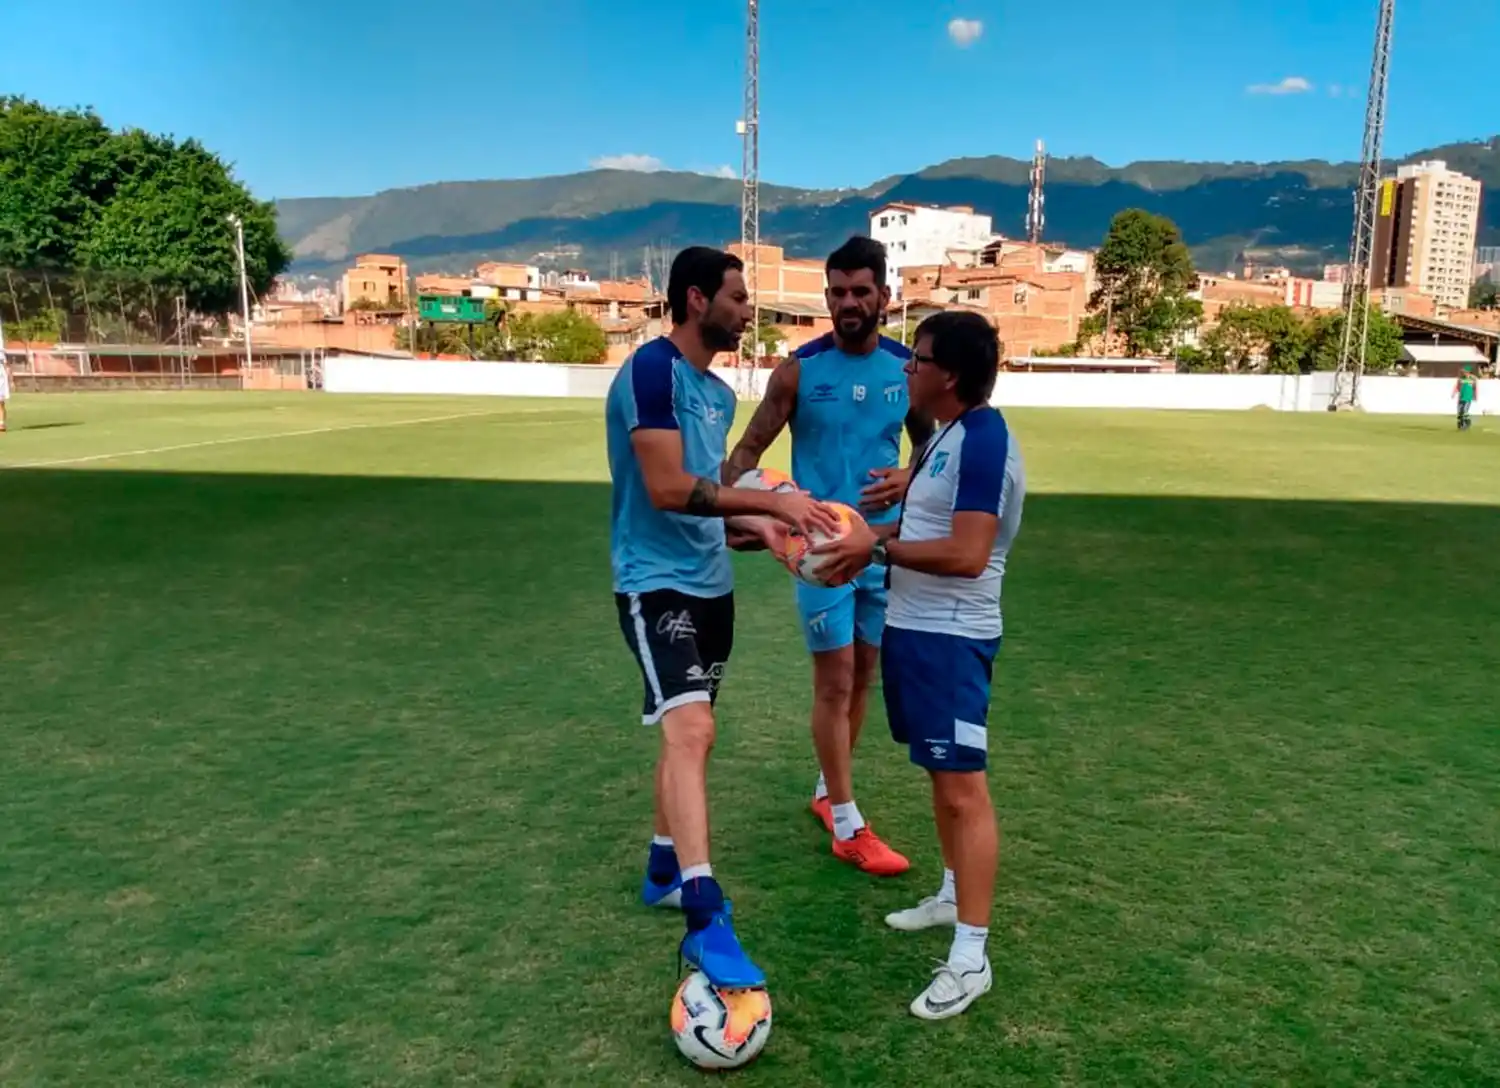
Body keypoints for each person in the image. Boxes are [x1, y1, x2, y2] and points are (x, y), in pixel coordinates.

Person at [605, 245, 840, 991]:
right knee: (692, 729)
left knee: (688, 732)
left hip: (711, 588)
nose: (749, 310)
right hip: (655, 586)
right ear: (698, 298)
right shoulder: (651, 372)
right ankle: (704, 916)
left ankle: (661, 865)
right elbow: (670, 490)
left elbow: (707, 509)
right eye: (740, 297)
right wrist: (774, 500)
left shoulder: (714, 393)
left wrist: (760, 532)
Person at [814, 310, 1025, 1020]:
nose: (907, 368)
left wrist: (872, 550)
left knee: (964, 789)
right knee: (941, 776)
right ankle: (950, 892)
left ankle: (971, 957)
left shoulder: (986, 439)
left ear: (951, 375)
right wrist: (872, 531)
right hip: (917, 629)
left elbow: (967, 554)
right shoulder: (949, 437)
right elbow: (926, 527)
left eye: (919, 359)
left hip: (950, 639)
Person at [724, 235, 932, 876]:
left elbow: (935, 450)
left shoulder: (907, 370)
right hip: (816, 553)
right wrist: (751, 510)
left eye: (860, 292)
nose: (848, 302)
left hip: (880, 547)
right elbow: (745, 452)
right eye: (837, 292)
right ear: (826, 296)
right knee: (834, 681)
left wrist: (910, 474)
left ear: (883, 297)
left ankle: (826, 789)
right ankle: (846, 822)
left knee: (863, 675)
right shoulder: (799, 372)